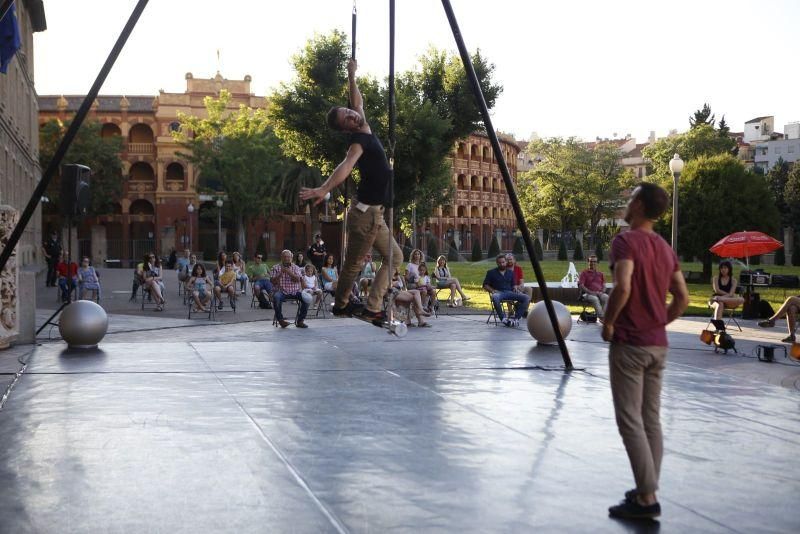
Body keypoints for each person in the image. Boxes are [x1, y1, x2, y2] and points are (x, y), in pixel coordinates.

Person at [601, 182, 688, 520]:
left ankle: (647, 497)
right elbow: (682, 297)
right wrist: (659, 323)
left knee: (630, 421)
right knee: (651, 419)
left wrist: (609, 323)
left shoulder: (625, 241)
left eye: (631, 196)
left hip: (630, 344)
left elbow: (623, 286)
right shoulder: (665, 247)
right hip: (657, 346)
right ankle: (645, 490)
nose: (627, 201)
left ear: (638, 205)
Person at [299, 58, 402, 322]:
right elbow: (345, 166)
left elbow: (358, 102)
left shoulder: (363, 124)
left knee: (395, 257)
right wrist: (324, 188)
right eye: (347, 117)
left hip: (376, 214)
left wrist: (351, 75)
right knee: (355, 263)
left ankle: (371, 305)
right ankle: (342, 304)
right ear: (346, 128)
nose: (352, 114)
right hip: (366, 214)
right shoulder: (357, 141)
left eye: (349, 111)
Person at [483, 254, 530, 327]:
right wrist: (492, 290)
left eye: (503, 262)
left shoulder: (510, 272)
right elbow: (485, 285)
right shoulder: (491, 272)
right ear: (497, 263)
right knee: (495, 297)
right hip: (499, 293)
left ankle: (516, 318)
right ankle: (503, 319)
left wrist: (515, 287)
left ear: (506, 262)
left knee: (526, 297)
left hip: (510, 292)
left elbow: (513, 284)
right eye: (500, 263)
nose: (502, 264)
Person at [270, 249, 309, 328]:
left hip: (295, 291)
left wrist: (289, 272)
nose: (287, 259)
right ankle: (281, 320)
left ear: (291, 258)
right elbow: (273, 282)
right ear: (281, 257)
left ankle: (300, 321)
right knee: (276, 297)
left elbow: (298, 280)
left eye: (288, 257)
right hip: (281, 291)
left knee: (306, 299)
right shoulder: (275, 267)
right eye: (285, 257)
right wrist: (280, 273)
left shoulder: (296, 267)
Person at [579, 254, 609, 319]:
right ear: (588, 262)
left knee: (607, 297)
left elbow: (604, 286)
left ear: (597, 263)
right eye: (591, 261)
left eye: (594, 261)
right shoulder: (584, 273)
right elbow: (581, 286)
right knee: (595, 299)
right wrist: (591, 292)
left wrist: (602, 292)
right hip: (587, 294)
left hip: (599, 293)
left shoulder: (601, 274)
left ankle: (604, 316)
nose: (592, 263)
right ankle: (602, 317)